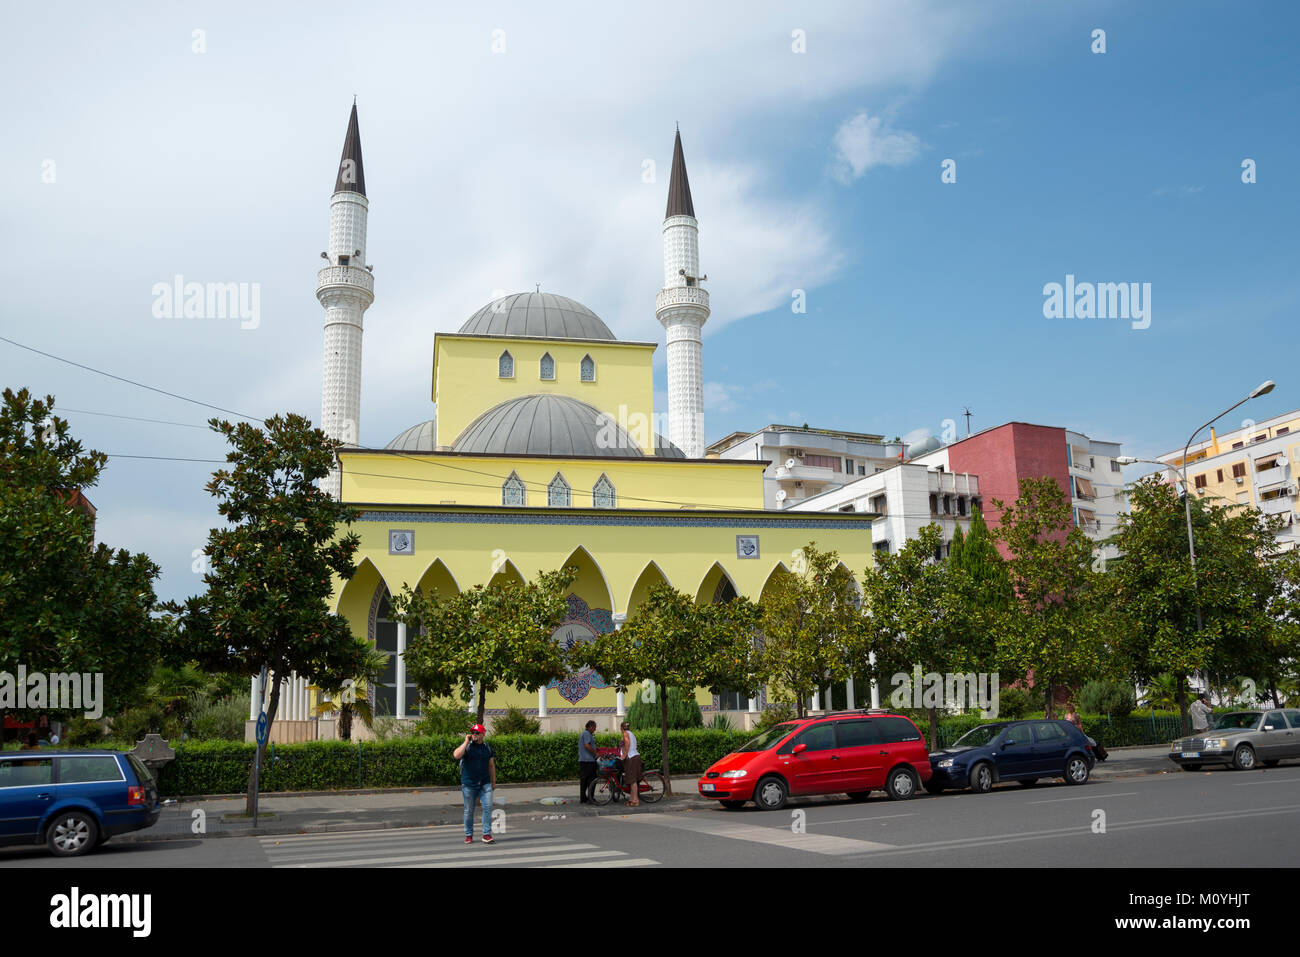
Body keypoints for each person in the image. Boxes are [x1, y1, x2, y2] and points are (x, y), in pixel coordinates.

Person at [453, 723, 496, 844]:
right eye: (473, 733)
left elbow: (491, 765)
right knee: (469, 810)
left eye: (477, 733)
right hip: (469, 784)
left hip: (485, 783)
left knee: (487, 807)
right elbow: (456, 755)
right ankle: (468, 834)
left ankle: (486, 834)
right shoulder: (467, 747)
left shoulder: (487, 748)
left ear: (483, 734)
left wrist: (493, 782)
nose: (474, 735)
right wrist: (466, 742)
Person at [620, 721, 642, 808]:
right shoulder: (631, 733)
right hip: (635, 756)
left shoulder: (625, 734)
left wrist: (623, 756)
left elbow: (627, 744)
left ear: (622, 728)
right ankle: (632, 799)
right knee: (632, 780)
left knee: (632, 781)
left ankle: (635, 800)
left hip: (631, 758)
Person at [578, 720, 598, 803]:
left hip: (584, 760)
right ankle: (590, 798)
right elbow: (587, 745)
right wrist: (595, 753)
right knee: (592, 780)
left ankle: (583, 798)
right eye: (594, 728)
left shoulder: (585, 733)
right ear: (590, 727)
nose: (595, 729)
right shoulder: (586, 734)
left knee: (585, 780)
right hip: (588, 760)